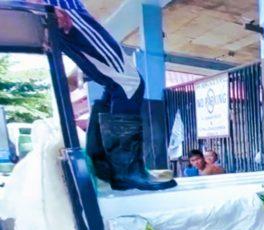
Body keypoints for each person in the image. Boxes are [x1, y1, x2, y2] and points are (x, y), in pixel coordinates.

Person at [29, 0, 175, 191]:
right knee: (128, 82)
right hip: (65, 11)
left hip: (67, 12)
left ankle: (106, 165)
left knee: (119, 83)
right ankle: (126, 170)